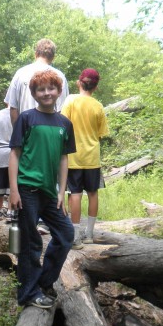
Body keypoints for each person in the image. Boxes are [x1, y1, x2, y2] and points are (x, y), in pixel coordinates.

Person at [8, 69, 76, 309]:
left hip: (50, 192)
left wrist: (62, 192)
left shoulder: (64, 124)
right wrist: (13, 190)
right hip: (27, 188)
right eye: (40, 89)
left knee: (66, 234)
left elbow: (63, 159)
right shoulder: (26, 118)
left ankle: (44, 282)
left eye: (51, 88)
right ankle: (27, 293)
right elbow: (15, 154)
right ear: (34, 93)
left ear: (59, 91)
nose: (46, 93)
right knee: (30, 243)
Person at [61, 68, 109, 247]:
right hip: (92, 158)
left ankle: (75, 237)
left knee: (74, 194)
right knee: (93, 193)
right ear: (95, 87)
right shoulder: (98, 106)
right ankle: (89, 234)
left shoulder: (70, 101)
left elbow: (62, 125)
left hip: (73, 157)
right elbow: (101, 133)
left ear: (79, 82)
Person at [4, 38, 69, 125]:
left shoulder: (20, 73)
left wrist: (17, 132)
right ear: (53, 57)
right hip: (51, 133)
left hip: (26, 130)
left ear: (35, 54)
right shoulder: (59, 76)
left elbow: (13, 107)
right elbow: (62, 109)